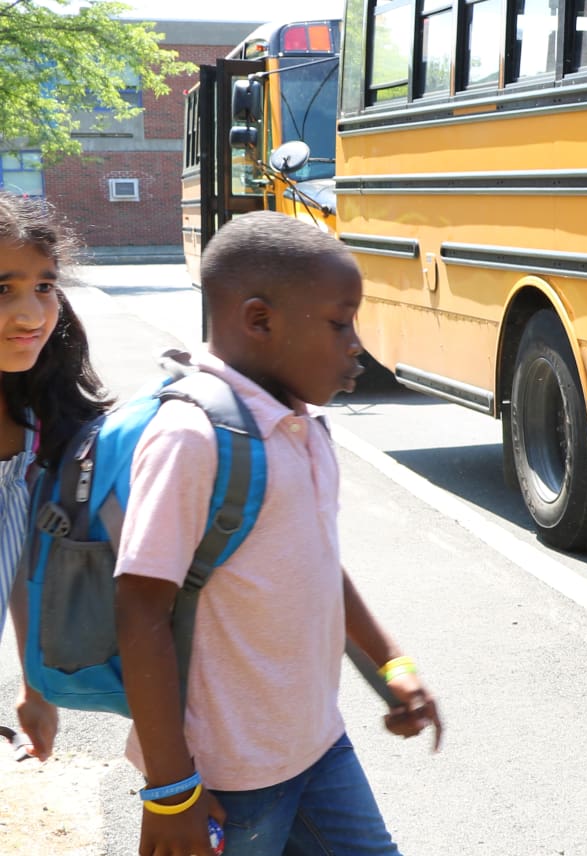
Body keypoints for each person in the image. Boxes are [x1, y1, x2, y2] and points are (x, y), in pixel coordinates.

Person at [113, 211, 440, 856]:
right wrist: (171, 790)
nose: (356, 344)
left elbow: (319, 565)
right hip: (227, 778)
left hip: (317, 746)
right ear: (259, 321)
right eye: (340, 323)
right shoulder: (193, 437)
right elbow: (139, 608)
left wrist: (391, 664)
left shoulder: (301, 425)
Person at [0, 193, 108, 765]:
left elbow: (21, 555)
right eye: (2, 290)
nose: (32, 315)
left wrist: (35, 687)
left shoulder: (35, 418)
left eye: (44, 286)